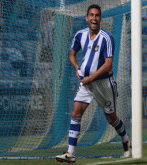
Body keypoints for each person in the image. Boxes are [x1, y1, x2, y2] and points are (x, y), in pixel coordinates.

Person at [55, 4, 131, 164]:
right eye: (91, 15)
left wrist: (91, 78)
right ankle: (70, 154)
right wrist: (77, 69)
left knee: (111, 118)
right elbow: (72, 54)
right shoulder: (80, 35)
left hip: (104, 84)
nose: (94, 18)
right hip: (86, 84)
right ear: (87, 18)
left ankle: (125, 137)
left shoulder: (107, 37)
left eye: (97, 15)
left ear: (100, 18)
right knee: (75, 114)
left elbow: (108, 64)